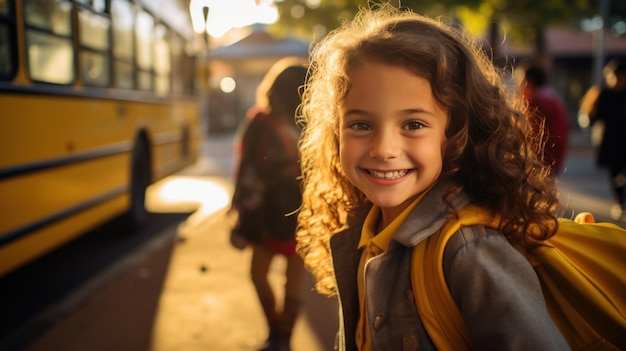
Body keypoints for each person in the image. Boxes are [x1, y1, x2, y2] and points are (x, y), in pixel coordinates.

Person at [295, 5, 569, 351]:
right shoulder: (365, 231)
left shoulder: (470, 253)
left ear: (455, 132)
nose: (384, 149)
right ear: (336, 132)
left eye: (413, 124)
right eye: (361, 125)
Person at [230, 57, 308, 351]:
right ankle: (284, 337)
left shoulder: (260, 125)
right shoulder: (313, 127)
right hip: (304, 217)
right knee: (295, 283)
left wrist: (238, 208)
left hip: (266, 218)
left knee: (258, 276)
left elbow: (248, 173)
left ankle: (275, 331)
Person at [588, 61, 626, 220]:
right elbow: (593, 117)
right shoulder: (603, 94)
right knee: (614, 172)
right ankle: (619, 202)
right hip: (611, 140)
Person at [518, 62, 570, 175]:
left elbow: (529, 130)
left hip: (543, 153)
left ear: (529, 80)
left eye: (521, 78)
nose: (519, 83)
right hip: (554, 151)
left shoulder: (537, 102)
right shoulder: (551, 97)